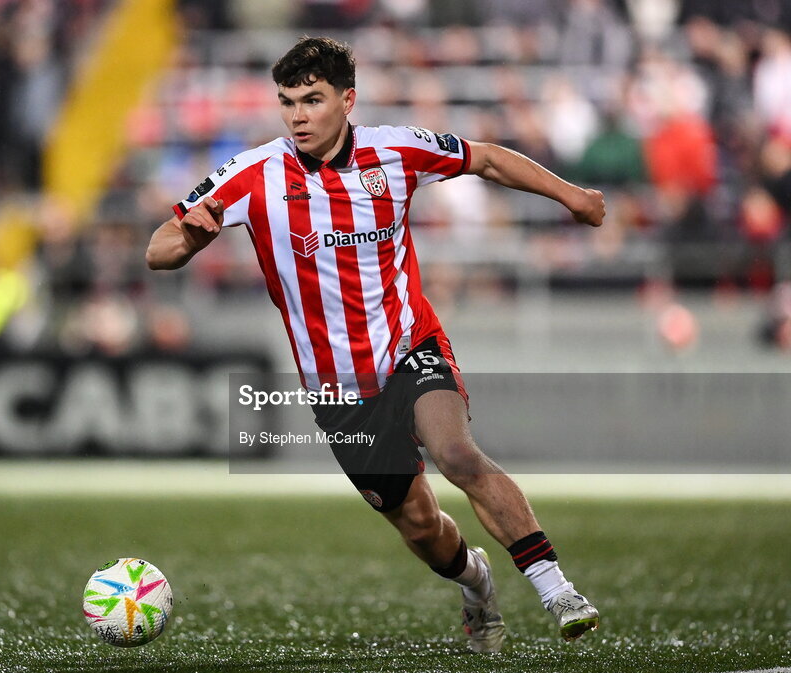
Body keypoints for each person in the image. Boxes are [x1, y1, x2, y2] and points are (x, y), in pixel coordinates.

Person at [146, 37, 603, 653]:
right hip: (338, 389)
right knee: (420, 526)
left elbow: (487, 159)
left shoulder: (397, 150)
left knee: (457, 454)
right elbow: (159, 249)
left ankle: (556, 589)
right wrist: (190, 238)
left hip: (411, 346)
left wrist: (571, 195)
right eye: (287, 103)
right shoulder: (252, 175)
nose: (298, 116)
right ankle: (475, 582)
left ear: (347, 99)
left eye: (312, 100)